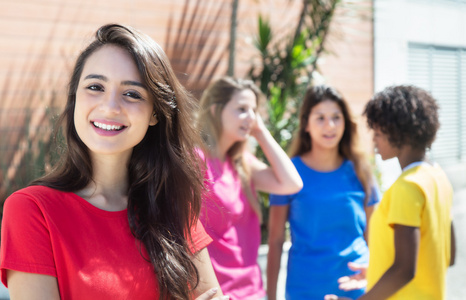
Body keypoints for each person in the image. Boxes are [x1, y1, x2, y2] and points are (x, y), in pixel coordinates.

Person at [0, 24, 228, 300]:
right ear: (74, 100)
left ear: (155, 113)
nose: (110, 106)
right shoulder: (33, 210)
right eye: (95, 87)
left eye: (132, 93)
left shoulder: (172, 206)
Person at [325, 85, 456, 300]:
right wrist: (377, 270)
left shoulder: (407, 187)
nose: (374, 140)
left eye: (377, 132)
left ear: (398, 133)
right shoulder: (438, 177)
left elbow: (404, 270)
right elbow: (446, 255)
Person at [267, 85, 380, 300]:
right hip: (304, 288)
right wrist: (271, 296)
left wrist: (375, 283)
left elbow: (375, 238)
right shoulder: (289, 173)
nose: (330, 125)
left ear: (345, 123)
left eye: (336, 117)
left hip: (355, 286)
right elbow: (275, 240)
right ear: (306, 124)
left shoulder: (362, 171)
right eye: (320, 118)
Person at [196, 77, 303, 300]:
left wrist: (260, 132)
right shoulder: (195, 159)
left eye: (254, 110)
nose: (252, 117)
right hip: (219, 293)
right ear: (216, 110)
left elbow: (292, 183)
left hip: (253, 291)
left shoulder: (242, 162)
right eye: (242, 109)